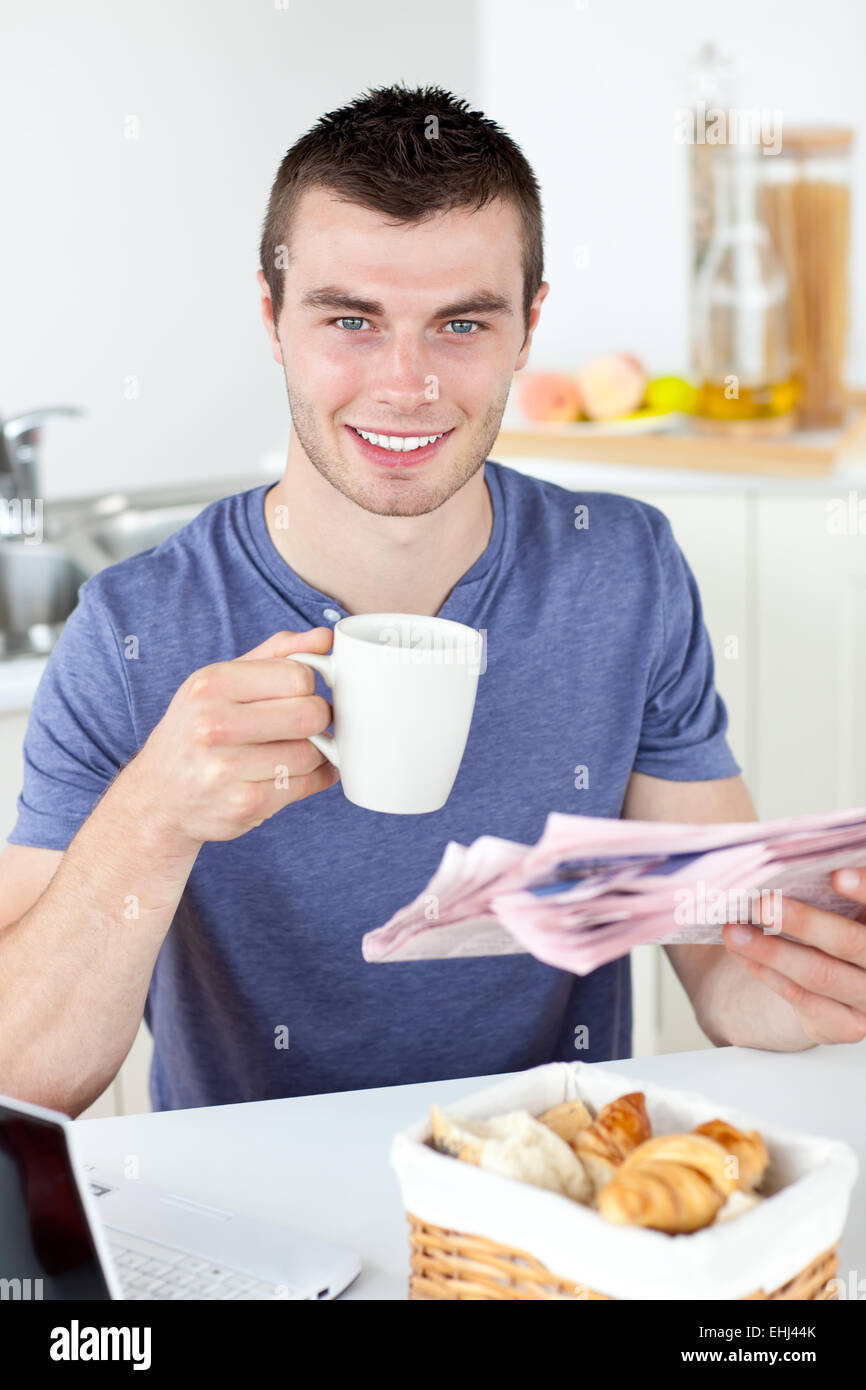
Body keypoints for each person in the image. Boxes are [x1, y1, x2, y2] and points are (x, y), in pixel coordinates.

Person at [1, 84, 864, 1117]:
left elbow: (723, 976)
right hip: (256, 1227)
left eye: (459, 322)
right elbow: (24, 1076)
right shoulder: (132, 628)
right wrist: (154, 814)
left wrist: (816, 984)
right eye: (350, 320)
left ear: (526, 328)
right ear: (273, 319)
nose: (405, 384)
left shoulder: (623, 568)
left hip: (552, 1193)